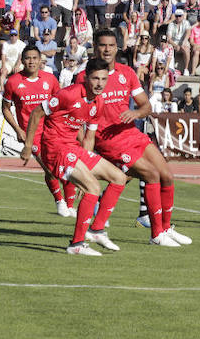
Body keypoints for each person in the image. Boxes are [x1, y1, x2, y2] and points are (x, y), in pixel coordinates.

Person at [77, 29, 192, 247]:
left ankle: (166, 228)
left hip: (131, 133)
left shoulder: (127, 73)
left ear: (117, 47)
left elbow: (146, 106)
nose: (107, 50)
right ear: (95, 46)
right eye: (102, 45)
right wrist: (85, 147)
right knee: (150, 174)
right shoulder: (85, 76)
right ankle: (156, 234)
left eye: (111, 45)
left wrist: (136, 113)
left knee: (166, 175)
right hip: (108, 139)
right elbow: (78, 109)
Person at [23, 58, 127, 256]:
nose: (100, 84)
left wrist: (86, 167)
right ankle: (76, 244)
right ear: (86, 78)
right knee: (94, 188)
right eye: (95, 78)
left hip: (74, 148)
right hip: (55, 149)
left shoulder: (99, 102)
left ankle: (96, 230)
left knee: (119, 177)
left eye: (104, 79)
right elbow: (37, 113)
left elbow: (89, 137)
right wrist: (28, 146)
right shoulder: (68, 94)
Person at [2, 45, 77, 216]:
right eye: (28, 58)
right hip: (31, 134)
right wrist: (18, 130)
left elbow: (60, 104)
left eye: (34, 58)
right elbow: (5, 108)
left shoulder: (50, 79)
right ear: (22, 60)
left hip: (53, 130)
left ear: (40, 60)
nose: (31, 61)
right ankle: (59, 201)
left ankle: (71, 205)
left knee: (66, 165)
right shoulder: (13, 82)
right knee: (49, 168)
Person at [166, 8, 191, 74]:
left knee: (186, 48)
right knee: (169, 47)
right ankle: (170, 67)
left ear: (183, 16)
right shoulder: (171, 24)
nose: (178, 17)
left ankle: (186, 69)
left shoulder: (186, 22)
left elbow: (188, 32)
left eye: (180, 16)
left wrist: (184, 42)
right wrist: (175, 45)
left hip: (183, 41)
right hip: (173, 42)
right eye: (177, 16)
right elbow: (169, 38)